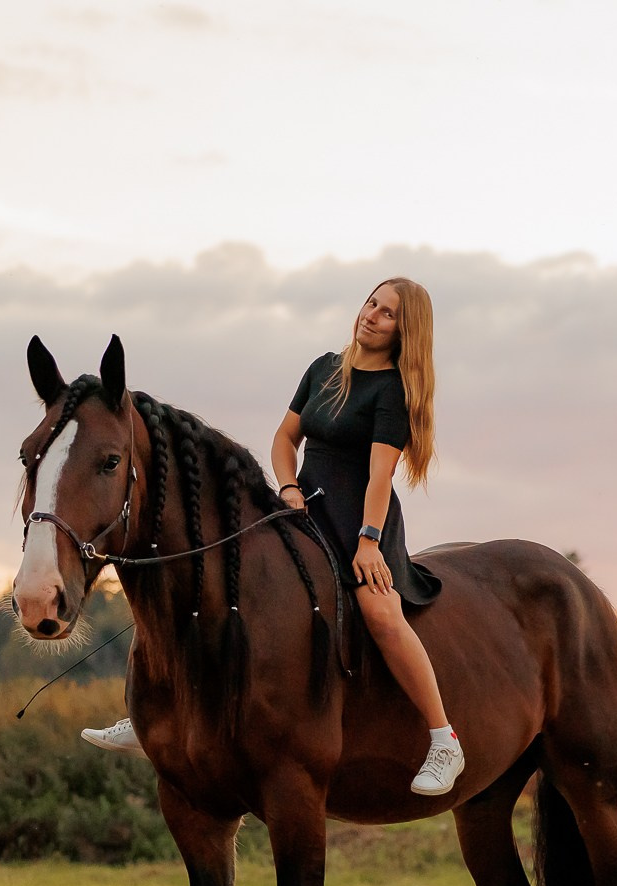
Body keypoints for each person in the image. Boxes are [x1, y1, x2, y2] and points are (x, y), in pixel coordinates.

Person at [83, 278, 465, 797]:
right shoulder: (323, 368)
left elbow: (380, 476)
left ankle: (443, 739)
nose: (371, 315)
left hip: (361, 520)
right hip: (303, 507)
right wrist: (287, 487)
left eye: (388, 313)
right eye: (371, 303)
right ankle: (161, 708)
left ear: (405, 331)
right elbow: (286, 438)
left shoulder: (391, 391)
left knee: (380, 612)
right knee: (218, 586)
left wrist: (370, 541)